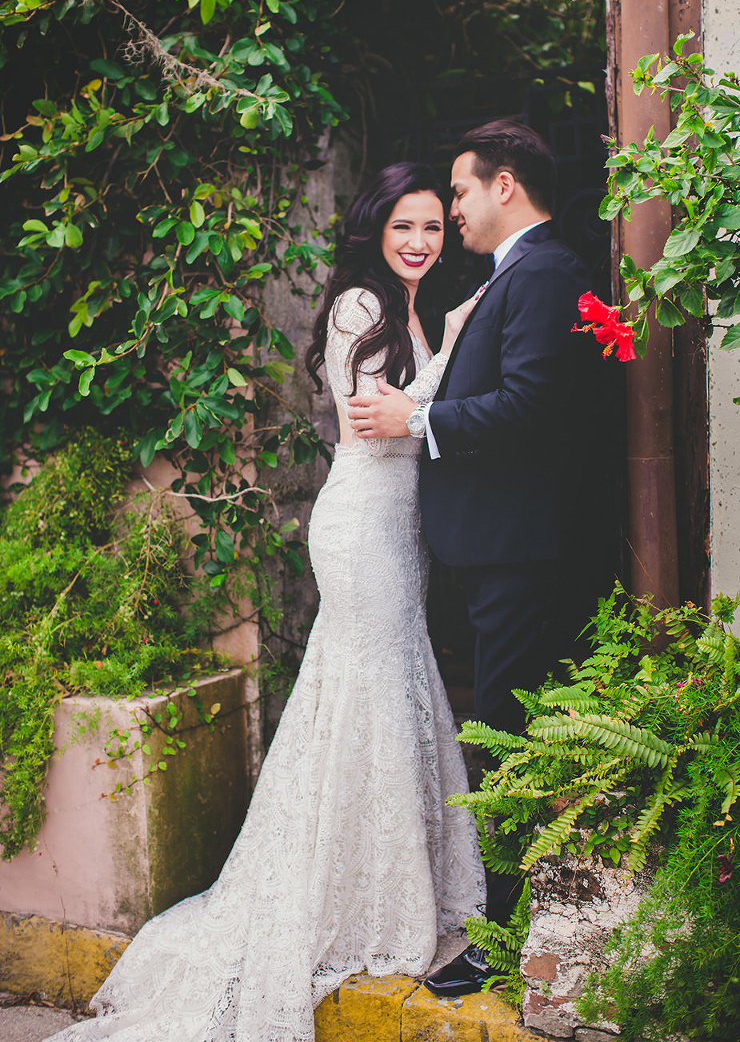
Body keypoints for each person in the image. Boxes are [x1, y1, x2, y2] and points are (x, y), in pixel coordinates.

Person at [49, 163, 484, 1042]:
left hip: (403, 532)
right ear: (375, 228)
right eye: (406, 227)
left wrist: (441, 338)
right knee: (367, 691)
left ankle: (393, 879)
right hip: (363, 529)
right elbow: (373, 417)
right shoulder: (360, 305)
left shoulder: (407, 308)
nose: (421, 243)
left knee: (384, 691)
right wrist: (456, 342)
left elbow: (415, 411)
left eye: (434, 229)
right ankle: (358, 897)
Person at [348, 119, 600, 995]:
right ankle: (502, 915)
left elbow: (528, 406)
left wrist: (419, 419)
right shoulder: (515, 278)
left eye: (457, 192)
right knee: (499, 728)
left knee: (505, 735)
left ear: (504, 186)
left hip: (519, 550)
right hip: (492, 549)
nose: (449, 212)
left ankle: (503, 931)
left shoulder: (545, 272)